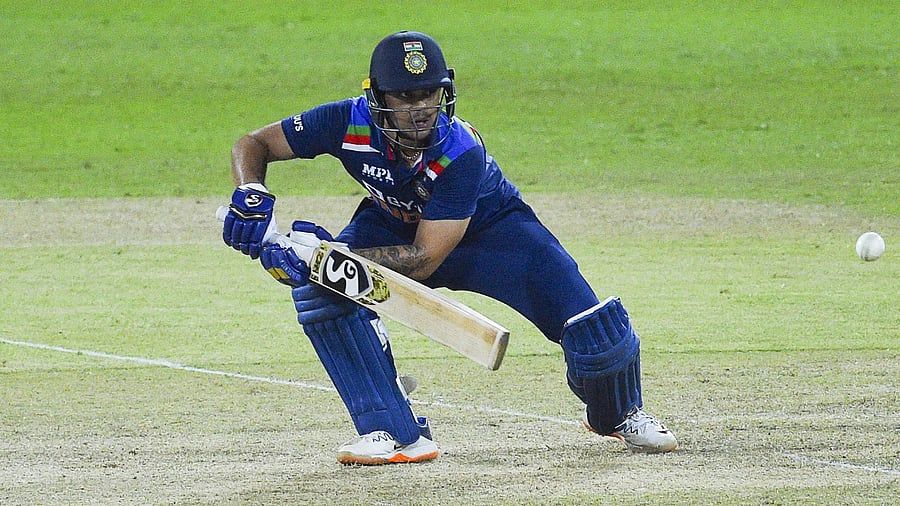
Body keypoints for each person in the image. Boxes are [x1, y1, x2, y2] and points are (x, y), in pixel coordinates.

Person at [223, 30, 677, 465]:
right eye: (405, 97)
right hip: (393, 224)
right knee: (322, 293)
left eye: (429, 94)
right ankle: (391, 431)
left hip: (493, 233)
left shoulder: (460, 149)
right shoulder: (345, 121)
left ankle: (617, 413)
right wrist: (251, 194)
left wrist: (318, 258)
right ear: (377, 97)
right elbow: (254, 143)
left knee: (595, 333)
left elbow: (425, 259)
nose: (421, 109)